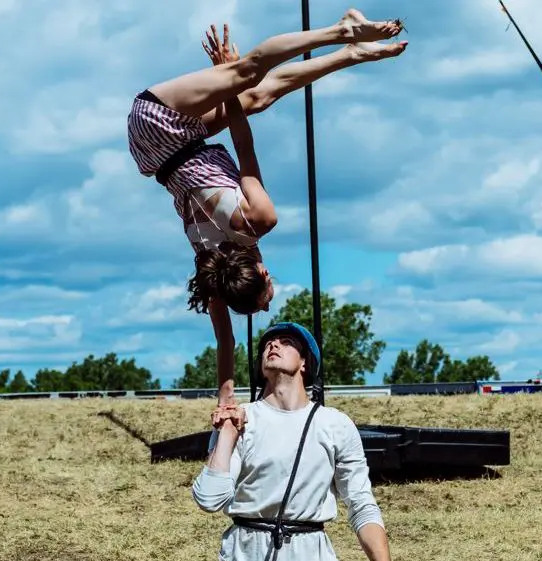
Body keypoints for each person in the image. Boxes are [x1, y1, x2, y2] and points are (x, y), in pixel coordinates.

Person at [127, 10, 407, 405]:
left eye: (267, 293)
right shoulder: (212, 268)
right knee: (259, 95)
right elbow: (224, 339)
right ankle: (351, 54)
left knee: (248, 74)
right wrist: (226, 397)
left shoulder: (257, 220)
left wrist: (227, 78)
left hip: (161, 120)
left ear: (262, 271)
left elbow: (244, 144)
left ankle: (342, 29)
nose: (272, 297)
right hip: (156, 155)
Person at [191, 322, 400, 561]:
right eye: (268, 343)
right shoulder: (241, 419)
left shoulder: (334, 425)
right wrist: (228, 433)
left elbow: (361, 503)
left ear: (305, 362)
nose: (273, 345)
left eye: (286, 341)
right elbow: (209, 499)